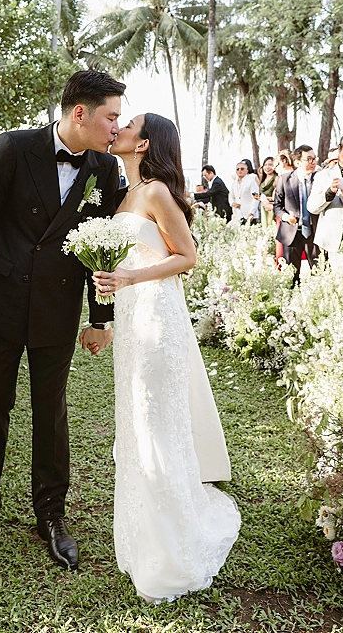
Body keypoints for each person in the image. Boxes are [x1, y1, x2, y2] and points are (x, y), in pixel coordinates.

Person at [0, 70, 125, 566]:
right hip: (0, 308)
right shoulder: (13, 147)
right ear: (80, 113)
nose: (116, 126)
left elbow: (105, 247)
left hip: (58, 307)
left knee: (50, 413)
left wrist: (99, 318)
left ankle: (51, 514)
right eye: (110, 117)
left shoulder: (105, 167)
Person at [91, 113, 240, 603]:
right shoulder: (124, 192)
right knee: (136, 419)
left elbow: (187, 256)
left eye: (127, 124)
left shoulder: (154, 191)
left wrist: (129, 280)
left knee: (155, 420)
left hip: (156, 315)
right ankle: (144, 534)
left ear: (144, 142)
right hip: (132, 318)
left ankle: (171, 543)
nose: (118, 129)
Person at [273, 145, 319, 285]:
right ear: (298, 162)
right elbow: (277, 206)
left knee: (319, 272)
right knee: (291, 275)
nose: (313, 162)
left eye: (314, 158)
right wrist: (286, 217)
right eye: (309, 159)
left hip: (315, 231)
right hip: (292, 232)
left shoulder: (319, 179)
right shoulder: (284, 179)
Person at [229, 160, 259, 224]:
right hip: (238, 214)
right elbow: (231, 196)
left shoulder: (251, 182)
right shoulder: (234, 183)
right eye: (238, 169)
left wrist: (252, 212)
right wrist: (232, 203)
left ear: (247, 170)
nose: (240, 170)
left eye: (242, 169)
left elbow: (256, 198)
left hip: (249, 215)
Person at [258, 156, 277, 228]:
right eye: (265, 165)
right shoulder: (263, 178)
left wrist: (267, 199)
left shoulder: (276, 178)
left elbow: (277, 196)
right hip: (262, 207)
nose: (267, 167)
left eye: (270, 165)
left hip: (271, 208)